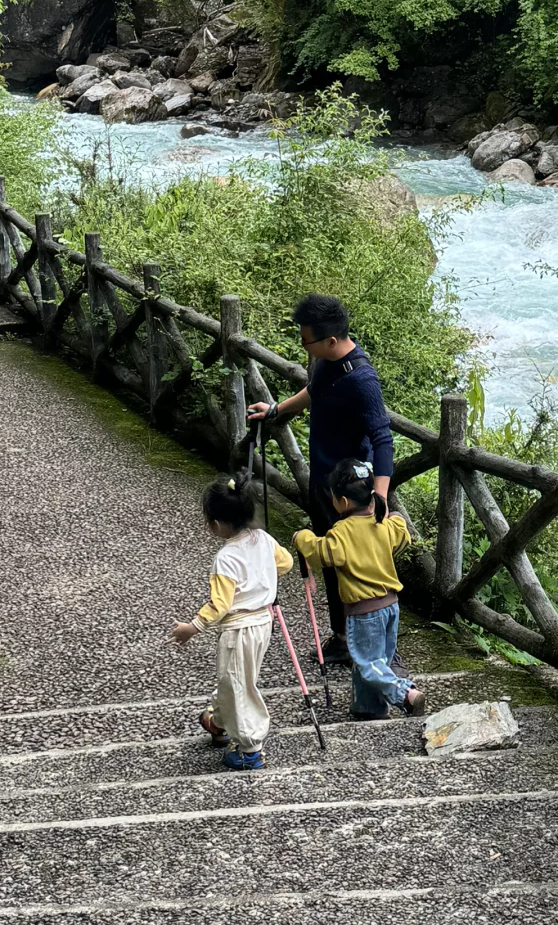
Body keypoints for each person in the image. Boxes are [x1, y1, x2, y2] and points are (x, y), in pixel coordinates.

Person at [247, 294, 394, 667]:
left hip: (350, 492)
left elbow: (383, 438)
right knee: (332, 565)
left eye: (305, 341)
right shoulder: (327, 363)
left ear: (330, 340)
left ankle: (376, 648)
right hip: (324, 483)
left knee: (354, 567)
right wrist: (276, 409)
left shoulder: (362, 379)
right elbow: (314, 392)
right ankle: (343, 638)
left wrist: (379, 497)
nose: (303, 347)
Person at [172, 473, 294, 771]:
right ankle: (219, 720)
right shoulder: (264, 539)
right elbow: (286, 562)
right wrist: (262, 577)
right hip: (262, 623)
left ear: (215, 523)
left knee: (238, 684)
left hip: (238, 629)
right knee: (236, 678)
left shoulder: (225, 558)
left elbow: (220, 604)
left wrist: (192, 627)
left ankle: (249, 748)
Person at [293, 458, 425, 720]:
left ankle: (405, 693)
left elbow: (322, 553)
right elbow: (401, 533)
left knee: (368, 664)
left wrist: (302, 537)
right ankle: (368, 708)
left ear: (341, 501)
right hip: (390, 607)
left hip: (365, 613)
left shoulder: (342, 532)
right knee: (376, 661)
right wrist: (397, 517)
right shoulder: (382, 525)